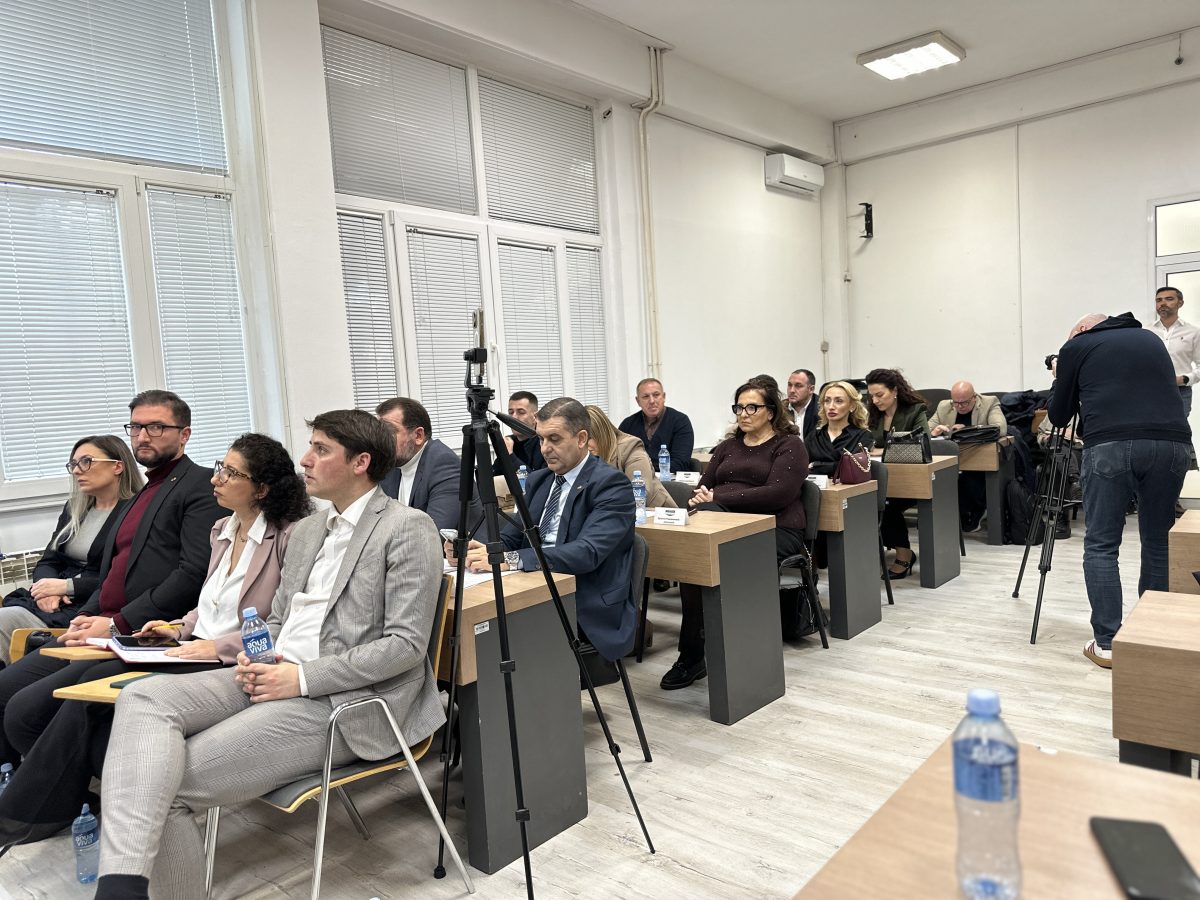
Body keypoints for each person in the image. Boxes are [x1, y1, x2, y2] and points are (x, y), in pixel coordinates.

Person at [92, 410, 444, 899]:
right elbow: (277, 621)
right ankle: (121, 883)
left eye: (321, 449)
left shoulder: (407, 527)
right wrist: (256, 657)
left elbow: (404, 647)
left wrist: (300, 679)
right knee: (142, 699)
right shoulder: (310, 530)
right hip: (275, 675)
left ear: (361, 462)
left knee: (165, 786)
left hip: (345, 699)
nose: (305, 459)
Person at [0, 434, 310, 851]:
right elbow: (210, 602)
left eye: (230, 473)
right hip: (187, 645)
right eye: (220, 467)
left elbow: (283, 623)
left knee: (90, 698)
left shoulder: (289, 538)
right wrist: (178, 627)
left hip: (226, 658)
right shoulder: (223, 529)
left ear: (262, 488)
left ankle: (27, 814)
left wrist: (216, 647)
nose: (216, 478)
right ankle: (50, 806)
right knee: (82, 685)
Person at [0, 390, 221, 767]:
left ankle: (72, 793)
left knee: (25, 713)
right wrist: (84, 616)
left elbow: (192, 574)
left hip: (141, 632)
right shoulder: (145, 492)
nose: (143, 436)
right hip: (100, 625)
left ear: (184, 434)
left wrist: (117, 622)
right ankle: (31, 780)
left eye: (156, 427)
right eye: (136, 427)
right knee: (6, 691)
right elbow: (112, 571)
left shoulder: (198, 485)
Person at [1048, 312, 1191, 668]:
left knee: (1101, 544)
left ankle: (1108, 644)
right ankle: (1151, 634)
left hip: (1110, 445)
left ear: (1083, 329)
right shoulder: (1150, 339)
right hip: (1172, 445)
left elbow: (1059, 416)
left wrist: (1060, 375)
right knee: (1158, 540)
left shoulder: (1078, 345)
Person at [449, 397, 637, 663]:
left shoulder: (611, 484)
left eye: (555, 439)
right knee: (472, 632)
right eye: (541, 439)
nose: (546, 448)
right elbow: (513, 536)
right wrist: (481, 550)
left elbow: (587, 552)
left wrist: (513, 559)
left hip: (584, 602)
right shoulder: (539, 480)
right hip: (533, 586)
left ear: (581, 438)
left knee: (492, 642)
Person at [661, 381, 808, 690]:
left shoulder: (789, 445)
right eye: (739, 407)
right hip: (720, 525)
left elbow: (778, 494)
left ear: (771, 412)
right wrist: (707, 498)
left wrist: (719, 498)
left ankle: (732, 649)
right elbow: (703, 487)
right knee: (695, 566)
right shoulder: (728, 446)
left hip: (774, 529)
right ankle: (692, 655)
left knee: (710, 553)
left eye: (752, 407)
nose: (744, 413)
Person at [0, 435, 143, 663]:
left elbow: (126, 577)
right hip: (51, 602)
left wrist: (67, 587)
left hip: (90, 607)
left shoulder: (137, 512)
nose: (76, 471)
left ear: (117, 466)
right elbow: (49, 560)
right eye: (74, 464)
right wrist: (45, 590)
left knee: (3, 621)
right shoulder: (75, 508)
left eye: (86, 462)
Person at [376, 396, 482, 533]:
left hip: (456, 547)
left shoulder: (444, 464)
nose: (381, 440)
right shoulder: (391, 464)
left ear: (418, 436)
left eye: (389, 432)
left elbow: (430, 534)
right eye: (379, 432)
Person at [865, 368, 929, 579]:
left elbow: (921, 442)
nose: (875, 401)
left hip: (911, 480)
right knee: (867, 502)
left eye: (879, 395)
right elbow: (863, 442)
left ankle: (904, 554)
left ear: (894, 391)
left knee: (887, 504)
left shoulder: (915, 410)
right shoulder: (872, 414)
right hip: (881, 478)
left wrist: (882, 450)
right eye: (871, 396)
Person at [929, 381, 1008, 532]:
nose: (959, 406)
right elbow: (925, 429)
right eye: (956, 403)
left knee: (969, 477)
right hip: (952, 458)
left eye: (964, 403)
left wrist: (968, 430)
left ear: (974, 397)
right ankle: (946, 516)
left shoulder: (989, 403)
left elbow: (1000, 428)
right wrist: (934, 432)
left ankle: (974, 513)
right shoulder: (944, 406)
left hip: (978, 456)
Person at [585, 405, 676, 509]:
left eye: (589, 438)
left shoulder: (630, 447)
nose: (584, 445)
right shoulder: (582, 458)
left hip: (656, 514)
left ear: (602, 434)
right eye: (580, 440)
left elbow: (639, 494)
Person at [1150, 285, 1199, 477]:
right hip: (1150, 391)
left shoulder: (1193, 332)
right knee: (1151, 433)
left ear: (1180, 303)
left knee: (1175, 434)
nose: (1163, 303)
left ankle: (1175, 479)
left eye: (1169, 299)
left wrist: (1186, 378)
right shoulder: (1146, 331)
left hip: (1180, 391)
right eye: (1159, 300)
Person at [619, 378, 695, 474]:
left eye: (656, 395)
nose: (652, 401)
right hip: (636, 479)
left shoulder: (680, 421)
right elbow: (618, 460)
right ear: (638, 401)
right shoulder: (628, 425)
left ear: (664, 397)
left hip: (669, 480)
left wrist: (643, 470)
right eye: (646, 396)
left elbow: (680, 463)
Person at [806, 381, 874, 476]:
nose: (831, 407)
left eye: (839, 401)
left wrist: (816, 465)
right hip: (817, 485)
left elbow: (853, 468)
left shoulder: (863, 436)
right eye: (827, 401)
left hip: (848, 484)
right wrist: (837, 465)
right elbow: (802, 468)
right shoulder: (814, 436)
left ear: (852, 406)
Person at [493, 390, 545, 474]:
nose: (514, 417)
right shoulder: (510, 442)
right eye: (511, 412)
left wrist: (510, 455)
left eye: (521, 412)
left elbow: (540, 480)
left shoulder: (545, 443)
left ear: (535, 416)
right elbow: (494, 475)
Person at [786, 368, 819, 439]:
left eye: (798, 386)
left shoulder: (822, 409)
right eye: (789, 385)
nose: (792, 390)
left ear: (811, 389)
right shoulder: (779, 409)